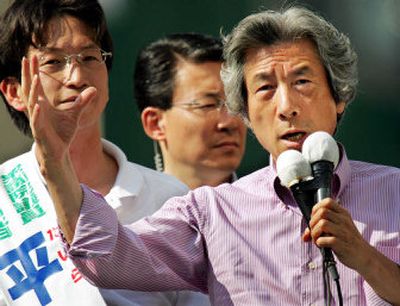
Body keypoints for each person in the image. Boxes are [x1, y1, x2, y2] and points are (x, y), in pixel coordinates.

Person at [26, 6, 400, 306]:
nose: (286, 106)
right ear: (247, 114)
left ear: (339, 97)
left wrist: (366, 259)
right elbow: (108, 257)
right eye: (265, 88)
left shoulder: (394, 190)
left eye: (302, 82)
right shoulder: (211, 213)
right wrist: (56, 165)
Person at [0, 0, 208, 305]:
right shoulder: (4, 194)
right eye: (54, 62)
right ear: (15, 91)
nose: (76, 77)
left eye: (88, 57)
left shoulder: (169, 197)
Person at [135, 33, 247, 189]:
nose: (229, 122)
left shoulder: (281, 206)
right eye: (207, 105)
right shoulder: (128, 211)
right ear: (155, 123)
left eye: (237, 103)